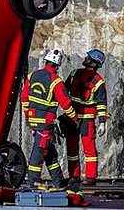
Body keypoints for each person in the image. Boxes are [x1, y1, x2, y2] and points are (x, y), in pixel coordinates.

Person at [21, 48, 78, 188]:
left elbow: (24, 98)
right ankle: (32, 181)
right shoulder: (56, 81)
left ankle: (59, 182)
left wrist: (28, 115)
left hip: (33, 121)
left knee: (49, 152)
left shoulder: (32, 76)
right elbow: (65, 103)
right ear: (57, 66)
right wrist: (75, 118)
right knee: (39, 150)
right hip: (46, 122)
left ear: (45, 61)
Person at [63, 49, 108, 186]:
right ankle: (74, 175)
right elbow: (63, 92)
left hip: (85, 118)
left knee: (88, 149)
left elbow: (101, 103)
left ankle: (90, 177)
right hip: (73, 117)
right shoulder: (74, 73)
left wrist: (102, 122)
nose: (85, 58)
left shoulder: (98, 81)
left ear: (94, 63)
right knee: (72, 149)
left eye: (88, 58)